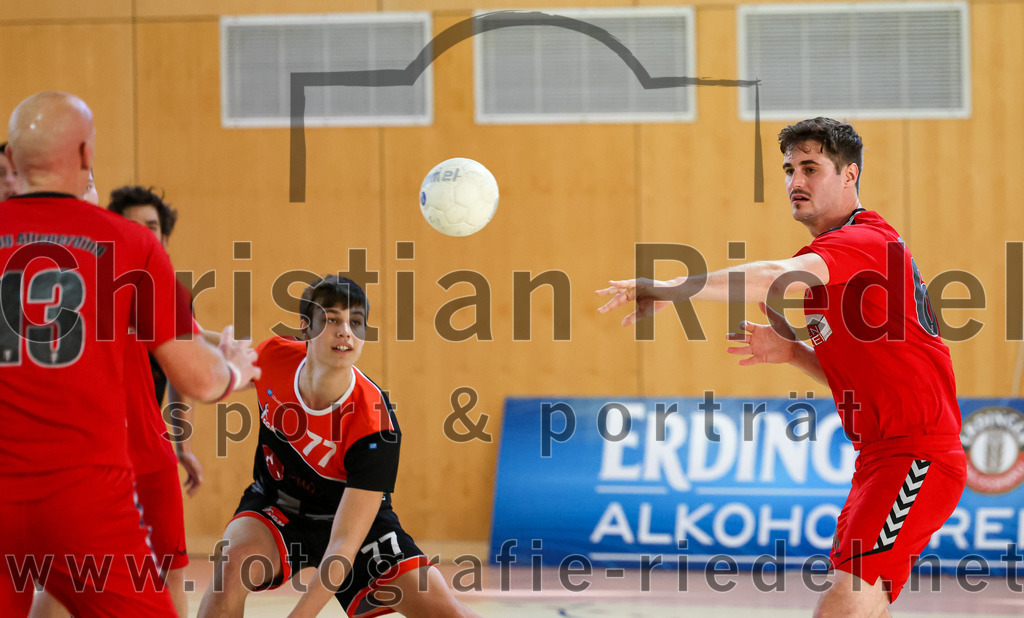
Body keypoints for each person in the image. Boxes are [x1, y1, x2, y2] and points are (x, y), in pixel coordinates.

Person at [597, 117, 966, 617]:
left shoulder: (863, 243)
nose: (795, 182)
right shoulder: (832, 269)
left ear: (850, 175)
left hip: (915, 456)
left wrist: (673, 287)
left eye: (811, 168)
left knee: (843, 603)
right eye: (789, 169)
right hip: (880, 459)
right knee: (868, 602)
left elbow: (772, 276)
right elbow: (859, 373)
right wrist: (796, 354)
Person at [0, 90, 260, 616]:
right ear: (85, 156)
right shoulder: (131, 245)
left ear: (11, 162)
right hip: (85, 496)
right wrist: (235, 368)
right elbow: (200, 380)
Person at [198, 275, 477, 618]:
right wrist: (179, 330)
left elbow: (344, 544)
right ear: (305, 329)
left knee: (444, 610)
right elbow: (224, 352)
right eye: (331, 320)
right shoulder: (276, 357)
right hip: (279, 505)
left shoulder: (376, 425)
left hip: (353, 525)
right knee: (232, 563)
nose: (345, 331)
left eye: (355, 322)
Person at [29, 186, 201, 618]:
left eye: (153, 227)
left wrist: (182, 443)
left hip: (149, 454)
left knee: (168, 572)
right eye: (132, 226)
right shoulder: (89, 284)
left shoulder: (167, 293)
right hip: (87, 459)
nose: (144, 235)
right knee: (63, 579)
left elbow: (189, 355)